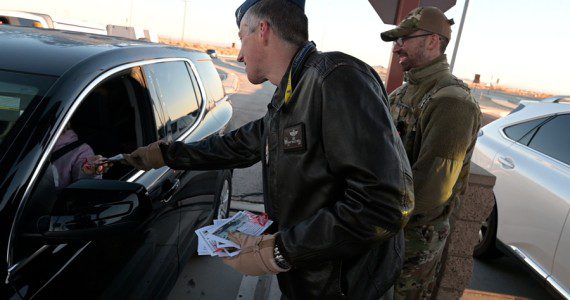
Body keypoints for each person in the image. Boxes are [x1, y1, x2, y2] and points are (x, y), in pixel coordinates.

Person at [123, 0, 413, 298]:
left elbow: (384, 204)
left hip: (346, 286)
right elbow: (235, 145)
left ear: (262, 30)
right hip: (309, 278)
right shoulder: (290, 94)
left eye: (240, 38)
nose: (237, 55)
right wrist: (162, 155)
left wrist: (280, 251)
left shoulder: (335, 78)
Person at [380, 6, 482, 299]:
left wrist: (371, 218)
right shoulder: (401, 94)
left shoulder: (452, 102)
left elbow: (431, 190)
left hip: (412, 246)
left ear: (433, 41)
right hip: (386, 233)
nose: (398, 47)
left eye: (406, 38)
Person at [52, 124, 111, 188]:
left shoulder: (81, 150)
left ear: (67, 123)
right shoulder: (41, 143)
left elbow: (86, 186)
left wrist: (90, 172)